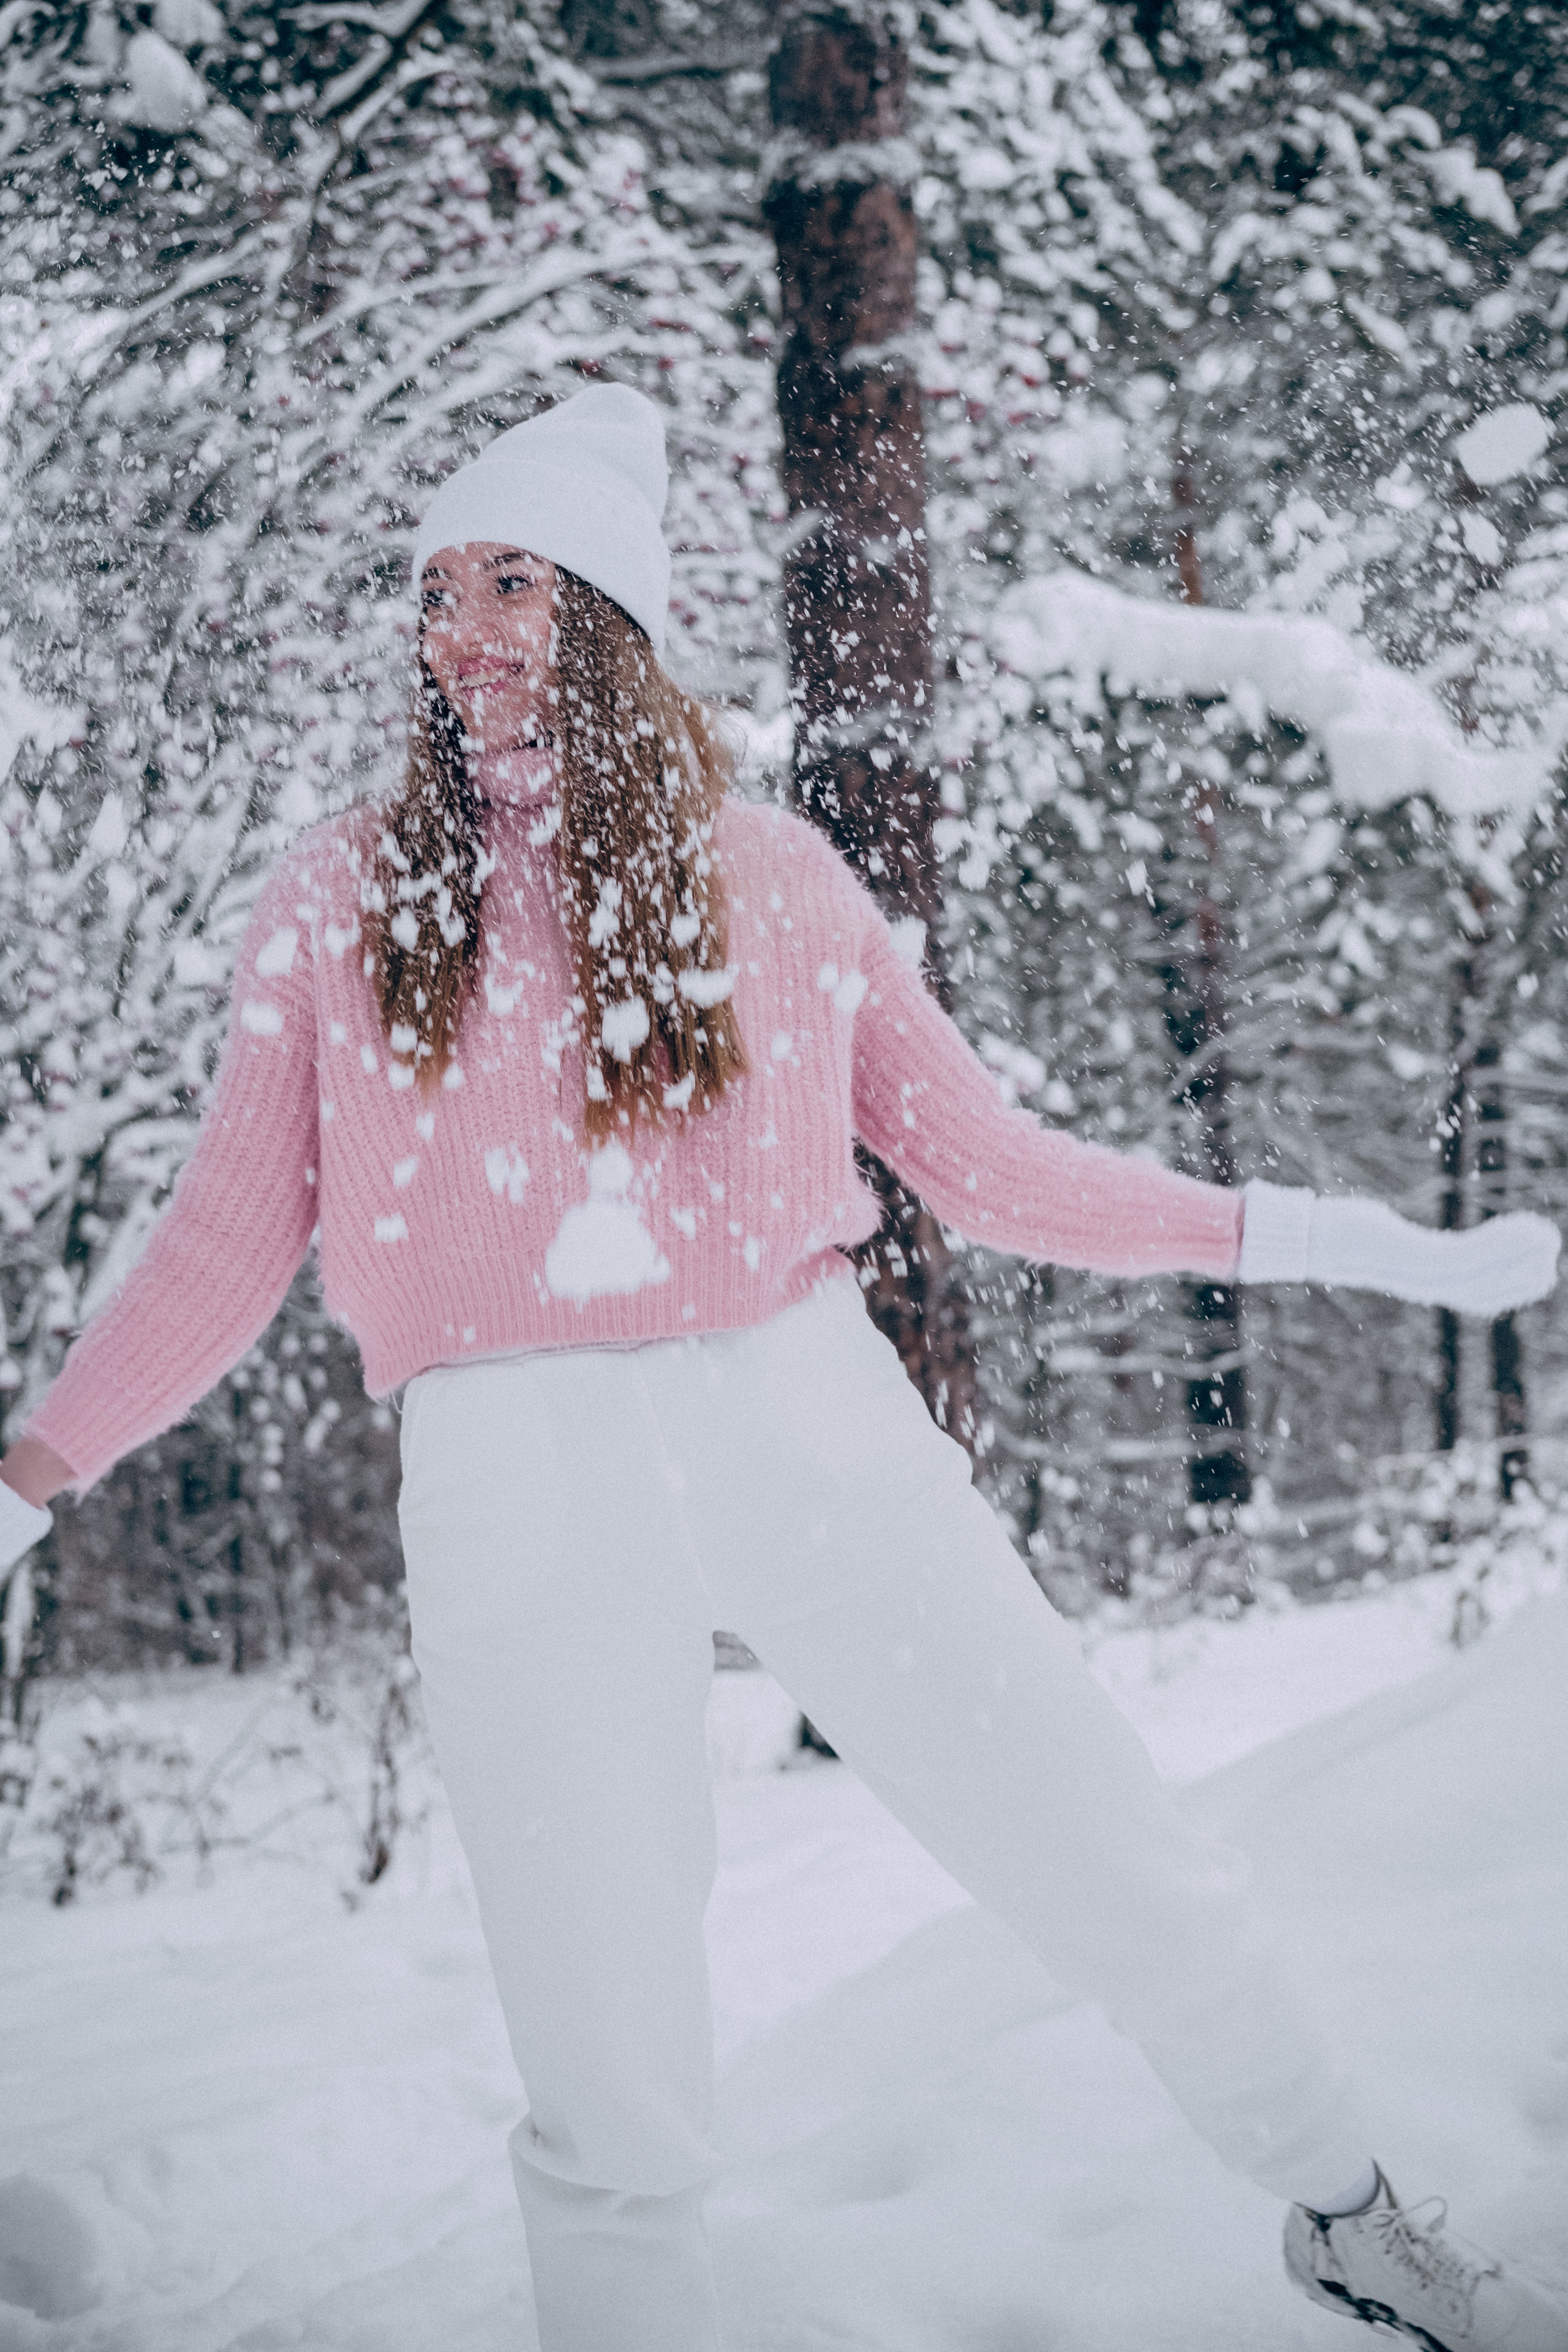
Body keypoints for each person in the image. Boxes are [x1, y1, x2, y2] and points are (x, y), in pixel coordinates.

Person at [1, 385, 1561, 2352]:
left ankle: (1354, 2217)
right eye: (434, 589)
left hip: (806, 1427)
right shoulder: (339, 897)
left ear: (617, 618)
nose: (458, 628)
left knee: (1116, 1859)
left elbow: (999, 1174)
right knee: (608, 2064)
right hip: (512, 1486)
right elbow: (225, 1242)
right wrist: (27, 1476)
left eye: (510, 581)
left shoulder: (774, 882)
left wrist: (1336, 1239)